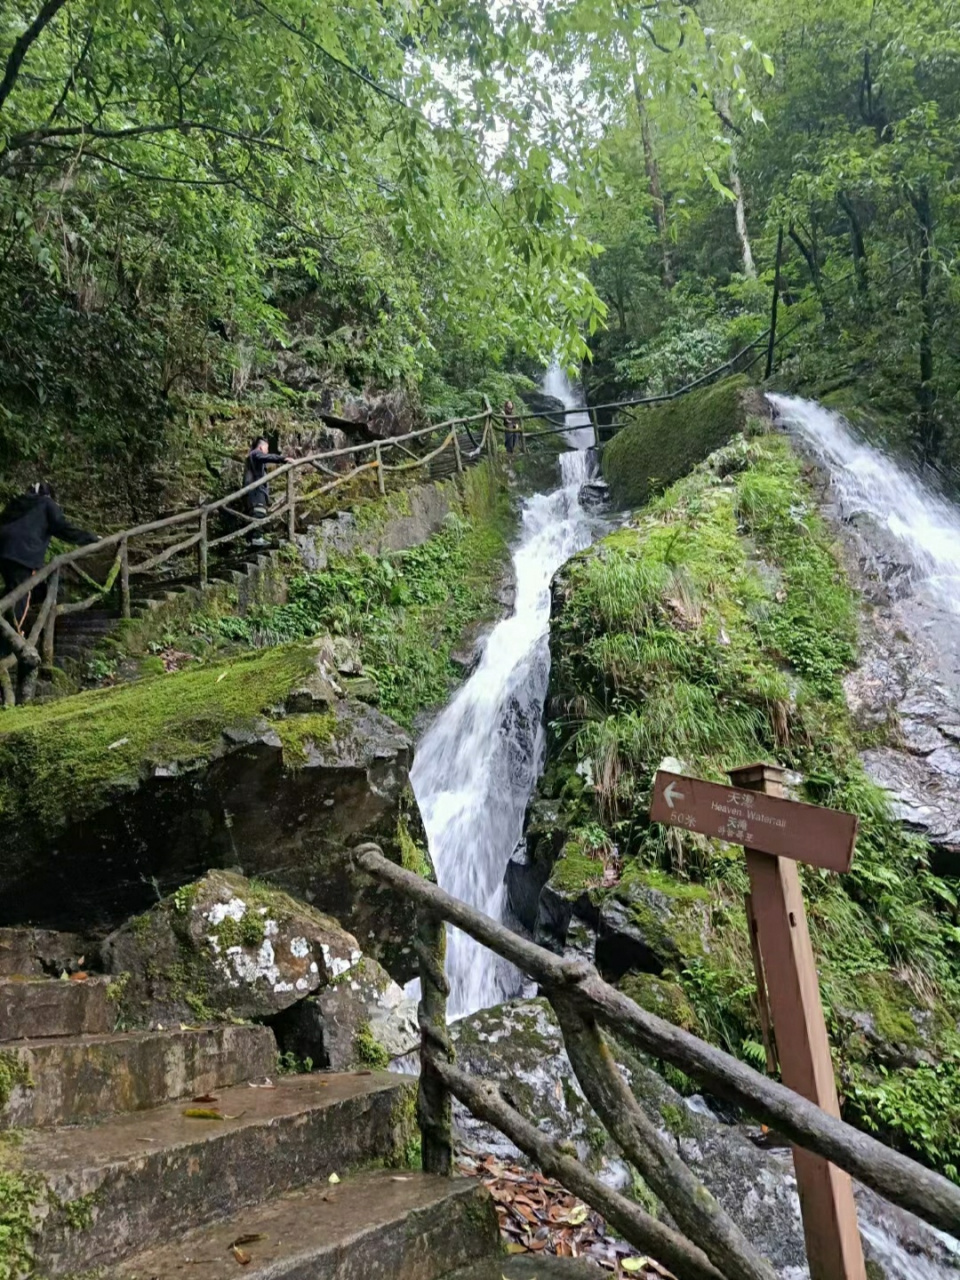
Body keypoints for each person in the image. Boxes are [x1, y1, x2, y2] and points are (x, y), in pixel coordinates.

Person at [0, 482, 99, 632]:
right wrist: (91, 538)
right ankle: (8, 642)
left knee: (11, 591)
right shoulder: (47, 504)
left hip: (3, 552)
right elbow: (63, 528)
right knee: (21, 596)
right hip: (25, 555)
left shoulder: (17, 503)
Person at [243, 436, 289, 546]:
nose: (267, 451)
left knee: (255, 513)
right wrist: (283, 459)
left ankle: (252, 540)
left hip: (253, 490)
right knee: (259, 512)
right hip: (256, 490)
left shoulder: (252, 457)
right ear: (261, 447)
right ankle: (256, 538)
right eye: (267, 448)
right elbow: (267, 457)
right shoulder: (256, 453)